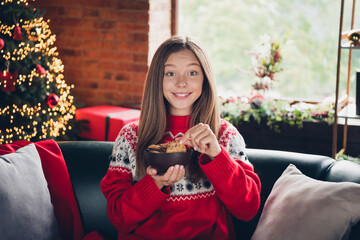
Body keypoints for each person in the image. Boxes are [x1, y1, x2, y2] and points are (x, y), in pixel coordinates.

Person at [100, 36, 261, 239]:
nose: (181, 83)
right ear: (157, 79)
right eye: (170, 73)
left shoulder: (225, 135)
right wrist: (155, 184)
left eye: (192, 72)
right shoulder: (130, 137)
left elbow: (248, 210)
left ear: (205, 79)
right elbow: (118, 218)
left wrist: (217, 156)